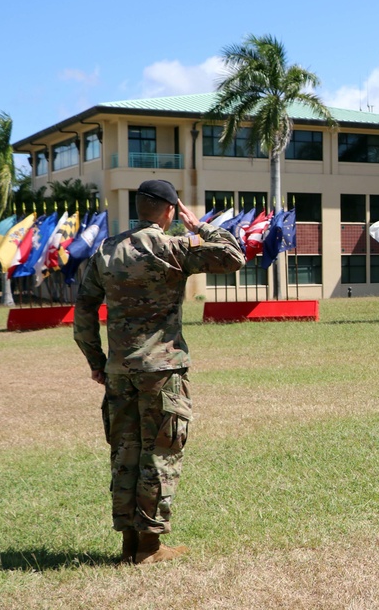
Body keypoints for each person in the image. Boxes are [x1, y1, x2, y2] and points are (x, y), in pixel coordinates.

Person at [74, 179, 245, 565]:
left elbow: (83, 311)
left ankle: (129, 544)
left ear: (140, 208)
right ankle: (148, 548)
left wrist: (96, 362)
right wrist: (199, 226)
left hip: (120, 372)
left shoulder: (106, 250)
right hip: (163, 372)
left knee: (125, 454)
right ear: (170, 211)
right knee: (161, 454)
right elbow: (234, 256)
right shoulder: (175, 247)